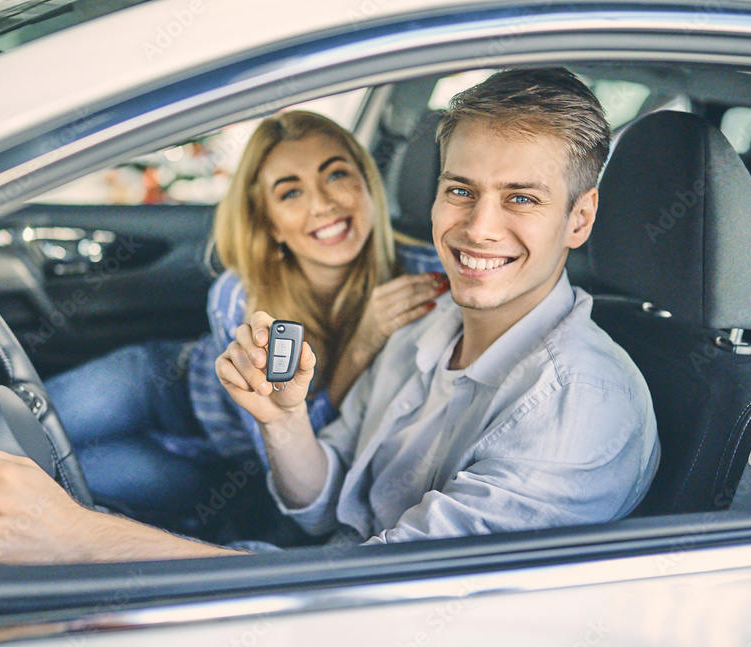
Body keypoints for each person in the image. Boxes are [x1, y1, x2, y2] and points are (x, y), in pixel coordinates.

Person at [0, 67, 660, 563]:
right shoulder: (433, 320)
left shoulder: (574, 410)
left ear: (579, 217)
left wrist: (81, 538)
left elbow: (372, 595)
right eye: (460, 190)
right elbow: (328, 497)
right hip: (290, 559)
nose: (478, 228)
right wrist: (284, 421)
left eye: (522, 198)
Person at [39, 110, 446, 520]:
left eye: (337, 175)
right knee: (8, 433)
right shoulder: (241, 297)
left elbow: (303, 457)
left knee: (49, 477)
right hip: (164, 384)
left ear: (367, 183)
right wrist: (360, 348)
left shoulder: (434, 274)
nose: (323, 203)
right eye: (290, 193)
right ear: (269, 222)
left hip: (225, 470)